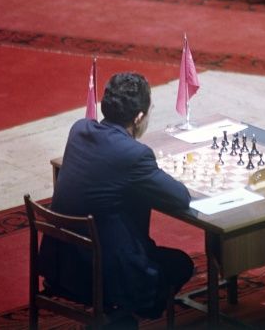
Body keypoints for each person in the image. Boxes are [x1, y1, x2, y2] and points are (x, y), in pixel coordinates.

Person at [39, 72, 194, 326]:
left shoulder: (79, 129)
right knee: (180, 265)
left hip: (61, 265)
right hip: (101, 274)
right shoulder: (135, 155)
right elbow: (180, 198)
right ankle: (122, 317)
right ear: (139, 117)